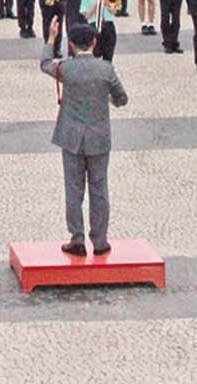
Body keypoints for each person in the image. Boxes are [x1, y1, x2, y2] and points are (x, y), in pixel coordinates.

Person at [41, 21, 129, 257]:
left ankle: (76, 237)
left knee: (73, 188)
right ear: (94, 42)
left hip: (71, 136)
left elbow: (44, 64)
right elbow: (122, 99)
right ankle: (100, 241)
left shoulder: (66, 68)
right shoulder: (106, 69)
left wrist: (51, 38)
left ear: (71, 44)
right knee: (99, 188)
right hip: (99, 136)